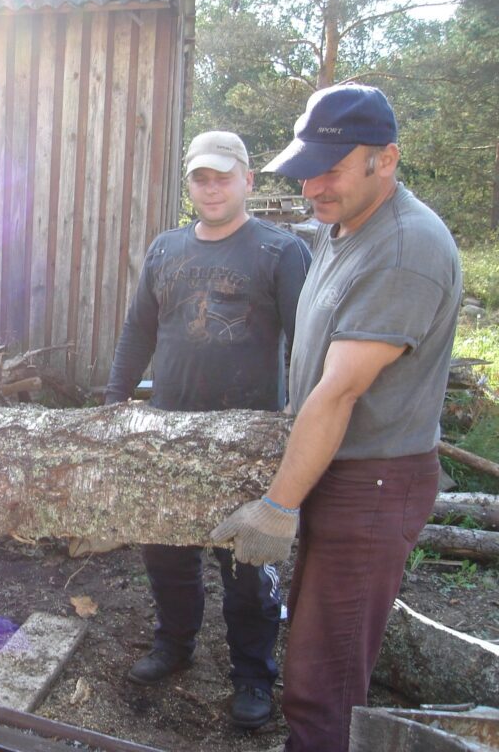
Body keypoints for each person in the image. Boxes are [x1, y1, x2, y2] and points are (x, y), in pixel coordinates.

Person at [211, 85, 462, 751]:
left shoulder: (405, 250)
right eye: (305, 169)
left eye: (332, 168)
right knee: (315, 644)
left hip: (372, 482)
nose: (312, 186)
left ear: (386, 159)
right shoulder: (342, 226)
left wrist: (277, 506)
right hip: (338, 465)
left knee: (326, 673)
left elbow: (340, 392)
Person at [105, 131, 311, 728]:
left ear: (248, 180)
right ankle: (174, 644)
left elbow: (305, 344)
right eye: (201, 178)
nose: (212, 188)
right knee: (167, 554)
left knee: (248, 567)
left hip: (247, 443)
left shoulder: (279, 252)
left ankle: (253, 675)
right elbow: (138, 331)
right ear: (189, 183)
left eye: (224, 176)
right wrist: (114, 402)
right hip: (168, 435)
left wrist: (300, 423)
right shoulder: (166, 249)